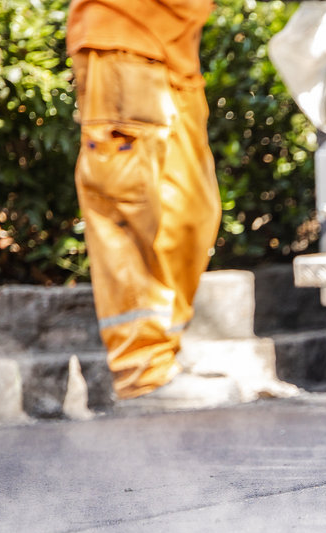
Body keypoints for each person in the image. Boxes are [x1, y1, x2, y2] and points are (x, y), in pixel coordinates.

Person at [68, 0, 243, 409]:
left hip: (172, 50)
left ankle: (164, 355)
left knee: (190, 213)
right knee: (130, 208)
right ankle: (142, 369)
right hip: (123, 37)